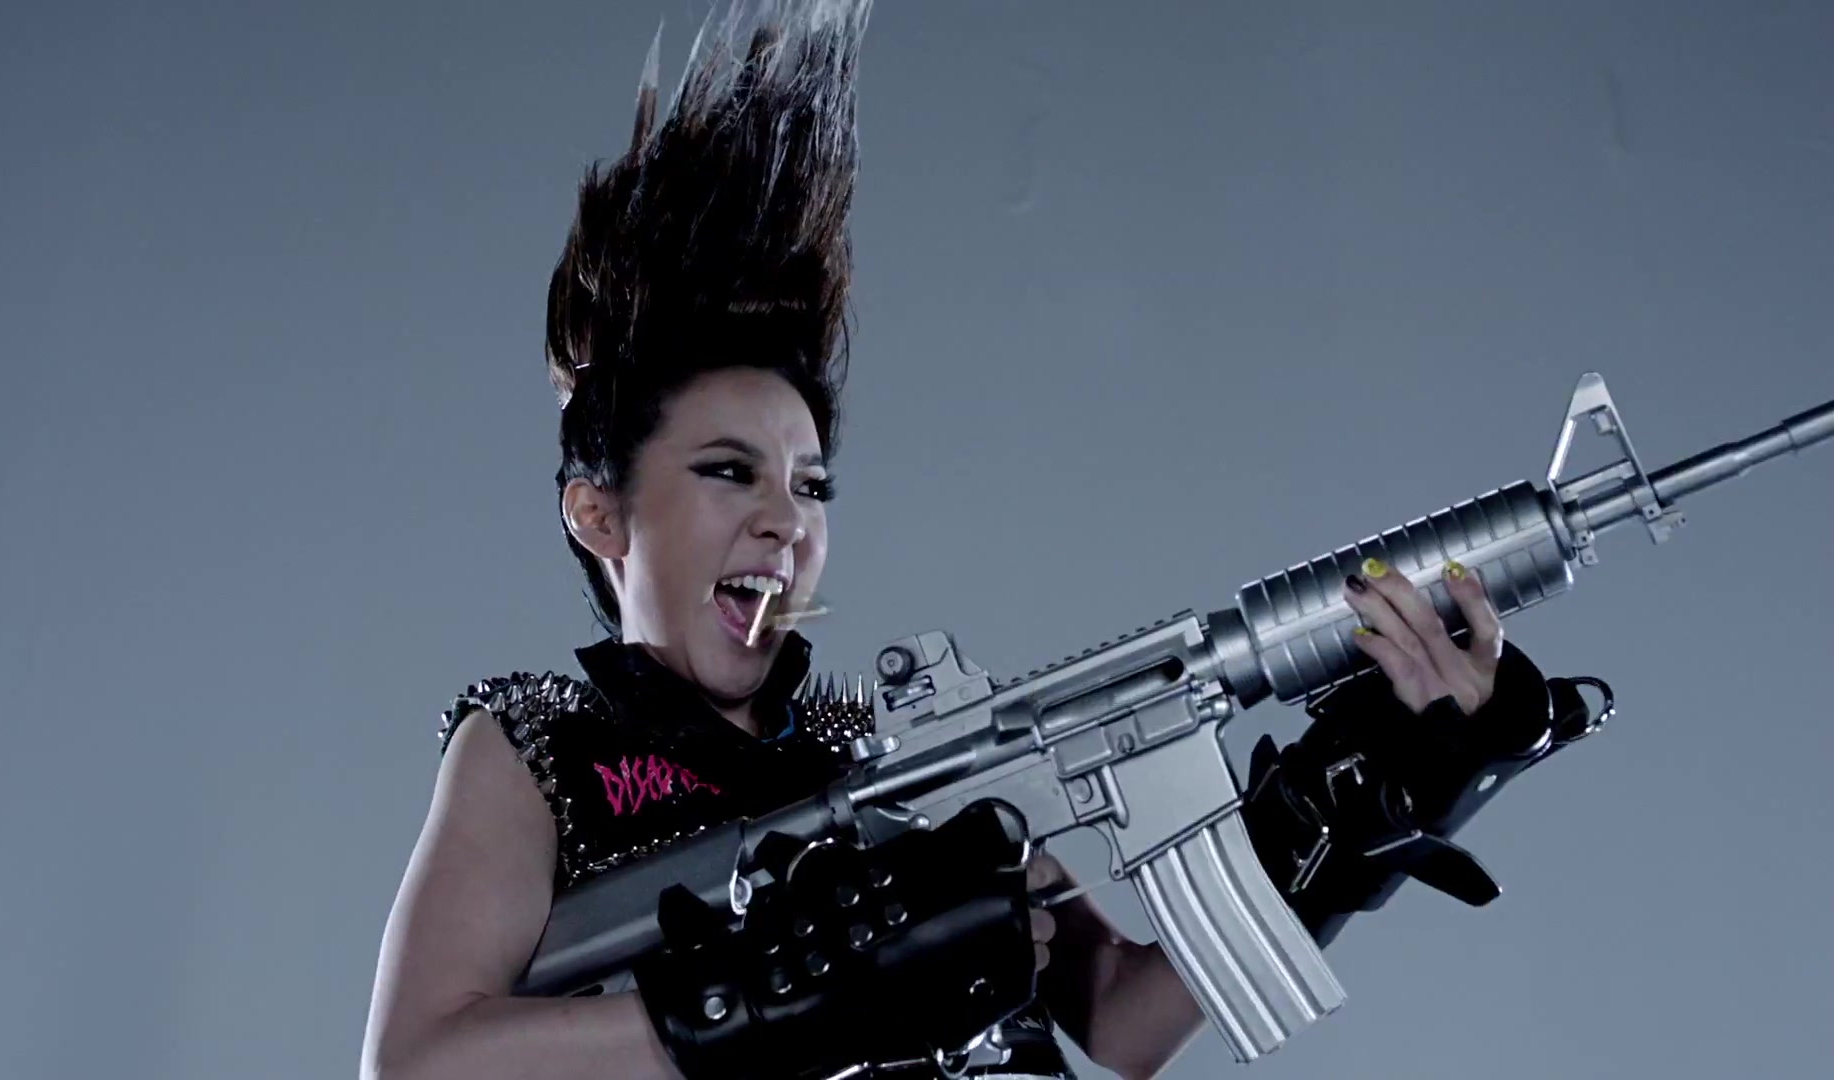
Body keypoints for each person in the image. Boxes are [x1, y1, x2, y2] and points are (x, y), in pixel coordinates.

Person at [360, 3, 1608, 1078]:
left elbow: (1121, 1024)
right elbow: (414, 1060)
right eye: (727, 472)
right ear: (599, 512)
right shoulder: (539, 749)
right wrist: (780, 1003)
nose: (784, 519)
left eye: (811, 485)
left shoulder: (890, 759)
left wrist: (1353, 803)